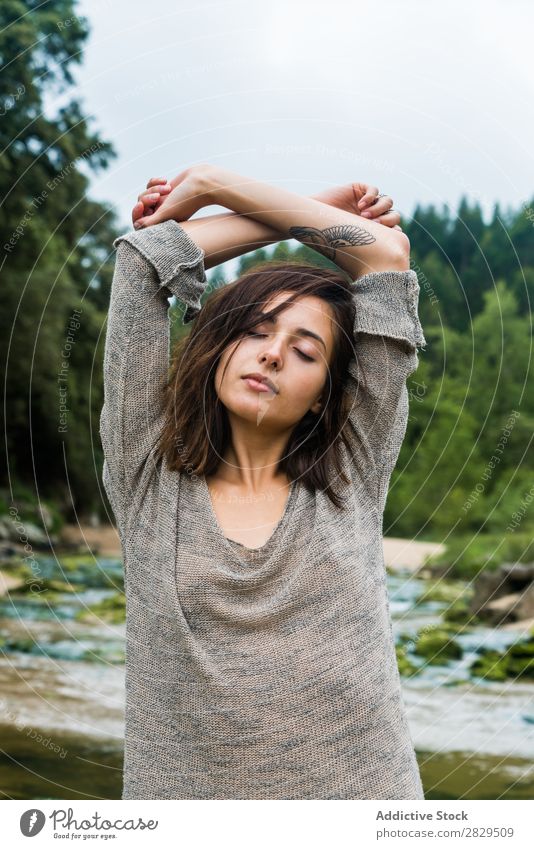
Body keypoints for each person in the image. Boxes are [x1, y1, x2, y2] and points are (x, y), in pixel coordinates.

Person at [100, 164, 427, 800]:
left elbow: (385, 257)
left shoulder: (352, 474)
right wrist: (310, 205)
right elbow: (145, 259)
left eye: (305, 352)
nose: (273, 353)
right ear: (221, 348)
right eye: (254, 331)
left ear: (321, 398)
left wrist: (215, 186)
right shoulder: (146, 478)